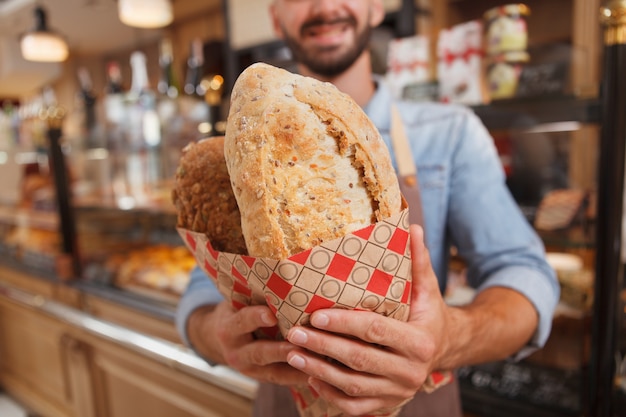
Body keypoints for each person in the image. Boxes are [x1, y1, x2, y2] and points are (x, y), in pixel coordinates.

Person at [175, 1, 560, 416]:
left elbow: (525, 274)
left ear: (377, 7)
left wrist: (448, 337)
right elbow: (202, 291)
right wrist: (217, 333)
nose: (324, 6)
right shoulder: (242, 147)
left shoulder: (448, 133)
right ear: (275, 16)